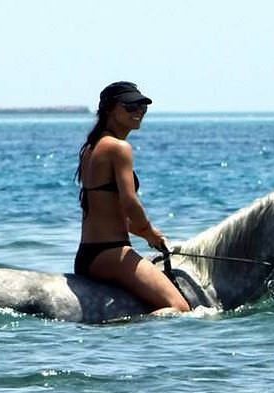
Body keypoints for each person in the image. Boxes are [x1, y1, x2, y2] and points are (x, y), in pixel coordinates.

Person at [74, 81, 190, 315]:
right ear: (109, 109)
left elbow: (105, 212)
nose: (138, 112)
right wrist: (147, 230)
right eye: (130, 107)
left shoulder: (90, 148)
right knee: (178, 307)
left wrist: (148, 235)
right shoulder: (119, 148)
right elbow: (130, 202)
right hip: (111, 254)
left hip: (88, 255)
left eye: (142, 108)